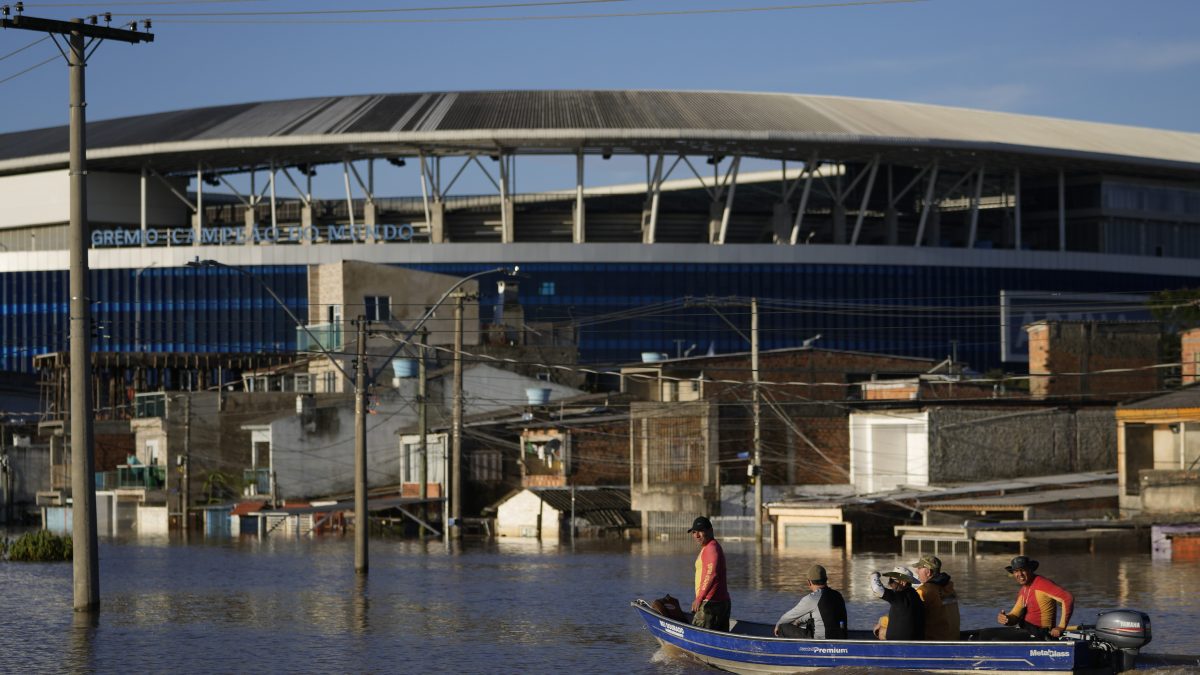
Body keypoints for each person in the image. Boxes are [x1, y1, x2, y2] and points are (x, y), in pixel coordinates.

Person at [994, 556, 1074, 640]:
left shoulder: (1043, 584)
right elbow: (1015, 616)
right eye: (1016, 571)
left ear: (1030, 570)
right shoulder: (1023, 590)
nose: (1020, 574)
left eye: (1023, 570)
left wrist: (1061, 627)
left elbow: (1067, 598)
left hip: (1043, 636)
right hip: (1027, 634)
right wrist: (1006, 619)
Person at [773, 564, 848, 639]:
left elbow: (790, 616)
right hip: (841, 639)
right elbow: (820, 614)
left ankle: (785, 650)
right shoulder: (838, 595)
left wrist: (778, 625)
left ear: (809, 582)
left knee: (782, 627)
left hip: (821, 642)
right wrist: (798, 621)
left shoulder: (811, 598)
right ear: (826, 579)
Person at [688, 516, 731, 631]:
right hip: (720, 602)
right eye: (694, 532)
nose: (697, 535)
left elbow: (711, 574)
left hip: (710, 604)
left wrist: (699, 598)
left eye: (700, 531)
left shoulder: (711, 549)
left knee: (697, 638)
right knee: (719, 640)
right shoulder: (711, 547)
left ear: (710, 530)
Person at [869, 566, 925, 641]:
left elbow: (877, 589)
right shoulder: (914, 595)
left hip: (901, 645)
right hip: (914, 641)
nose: (889, 583)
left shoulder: (901, 596)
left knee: (879, 630)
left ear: (903, 582)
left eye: (892, 580)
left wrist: (874, 575)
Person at [913, 555, 960, 641]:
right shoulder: (949, 588)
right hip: (953, 637)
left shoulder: (925, 591)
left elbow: (907, 613)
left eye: (919, 568)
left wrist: (884, 622)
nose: (916, 571)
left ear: (928, 572)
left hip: (935, 640)